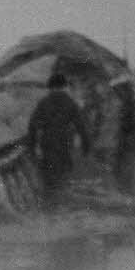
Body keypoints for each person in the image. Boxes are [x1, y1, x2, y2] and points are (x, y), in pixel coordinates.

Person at [26, 73, 91, 211]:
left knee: (48, 174)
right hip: (64, 142)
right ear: (64, 86)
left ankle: (49, 206)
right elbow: (81, 126)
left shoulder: (43, 102)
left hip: (47, 143)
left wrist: (32, 146)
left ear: (51, 87)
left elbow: (33, 125)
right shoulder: (70, 102)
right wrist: (86, 146)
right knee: (63, 172)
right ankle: (61, 204)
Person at [110, 77, 135, 197]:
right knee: (120, 170)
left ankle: (129, 196)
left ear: (126, 91)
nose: (117, 95)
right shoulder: (127, 104)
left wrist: (127, 139)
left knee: (125, 170)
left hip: (131, 143)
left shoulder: (132, 105)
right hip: (128, 143)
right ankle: (126, 195)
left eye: (119, 92)